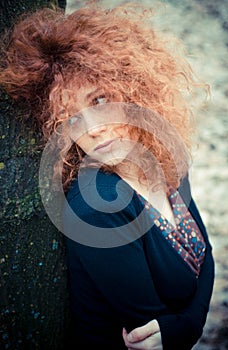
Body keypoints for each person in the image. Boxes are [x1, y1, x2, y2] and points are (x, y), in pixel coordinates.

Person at [0, 1, 215, 349]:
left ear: (135, 89)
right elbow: (145, 329)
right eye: (70, 119)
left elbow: (206, 254)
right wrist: (186, 328)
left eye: (99, 101)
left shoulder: (163, 161)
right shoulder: (96, 207)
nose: (92, 130)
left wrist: (188, 323)